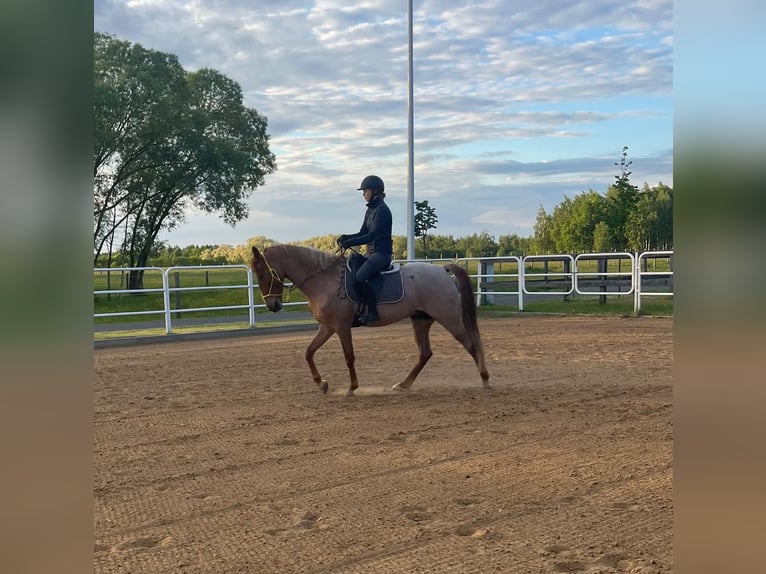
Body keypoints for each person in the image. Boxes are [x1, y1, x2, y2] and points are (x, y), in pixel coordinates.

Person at [337, 175, 393, 325]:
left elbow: (372, 235)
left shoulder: (382, 211)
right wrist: (346, 237)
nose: (363, 194)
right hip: (371, 253)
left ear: (375, 191)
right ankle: (357, 310)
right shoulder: (370, 210)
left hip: (382, 254)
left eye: (365, 190)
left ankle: (372, 312)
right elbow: (363, 232)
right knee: (353, 261)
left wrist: (351, 243)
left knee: (361, 277)